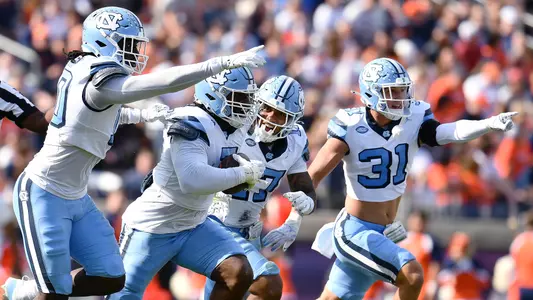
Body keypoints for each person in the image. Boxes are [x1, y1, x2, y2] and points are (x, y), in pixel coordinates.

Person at [2, 6, 266, 300]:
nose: (135, 52)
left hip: (76, 196)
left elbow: (91, 115)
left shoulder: (87, 71)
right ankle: (28, 291)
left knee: (111, 277)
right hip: (44, 191)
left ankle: (27, 289)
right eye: (128, 45)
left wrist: (141, 115)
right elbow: (158, 83)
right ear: (104, 41)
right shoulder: (97, 78)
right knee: (54, 294)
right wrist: (218, 64)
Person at [308, 57, 517, 300]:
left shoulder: (413, 118)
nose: (400, 97)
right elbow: (314, 173)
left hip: (384, 231)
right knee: (412, 275)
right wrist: (293, 218)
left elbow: (446, 132)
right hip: (355, 230)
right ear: (370, 93)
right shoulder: (351, 125)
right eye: (392, 92)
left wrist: (487, 124)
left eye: (401, 90)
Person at [108, 67, 267, 300]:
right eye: (239, 98)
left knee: (237, 271)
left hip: (194, 224)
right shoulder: (190, 121)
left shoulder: (235, 126)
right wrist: (243, 174)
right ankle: (47, 287)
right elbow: (193, 180)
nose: (246, 104)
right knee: (122, 293)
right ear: (214, 95)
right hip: (154, 225)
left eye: (248, 98)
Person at [204, 75, 316, 300]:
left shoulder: (295, 141)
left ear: (293, 120)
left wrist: (298, 215)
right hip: (215, 223)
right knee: (269, 284)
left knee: (231, 293)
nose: (270, 117)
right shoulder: (234, 127)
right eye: (266, 108)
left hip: (250, 230)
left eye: (281, 114)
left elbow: (303, 186)